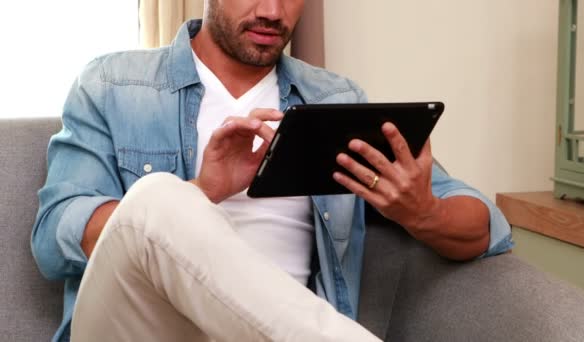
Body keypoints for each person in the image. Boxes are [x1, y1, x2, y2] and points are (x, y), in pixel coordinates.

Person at [32, 0, 513, 341]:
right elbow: (54, 237)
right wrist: (201, 191)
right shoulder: (113, 84)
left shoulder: (335, 103)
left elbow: (486, 227)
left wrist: (422, 211)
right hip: (141, 331)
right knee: (159, 195)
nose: (273, 11)